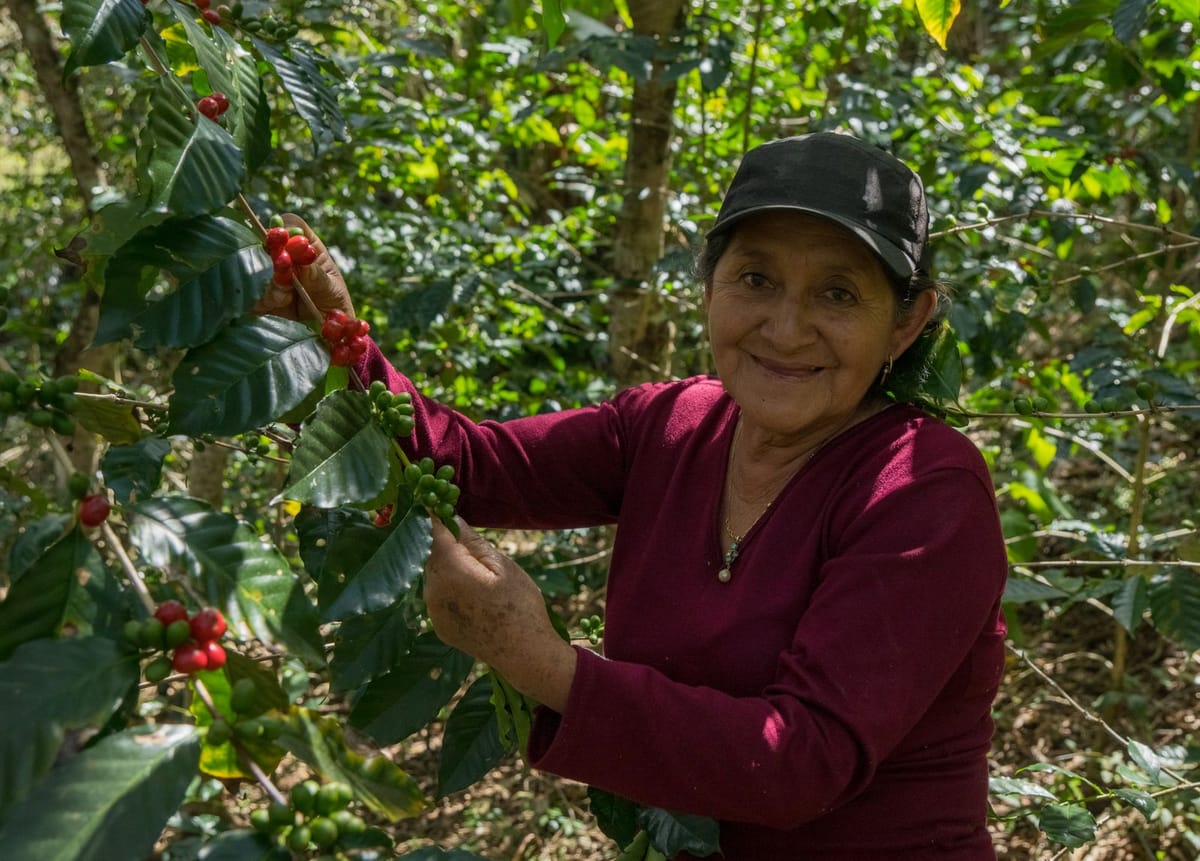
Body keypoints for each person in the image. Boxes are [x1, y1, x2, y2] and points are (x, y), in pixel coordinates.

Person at [256, 132, 1008, 859]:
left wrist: (542, 662)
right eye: (756, 279)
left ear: (907, 322)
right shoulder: (670, 425)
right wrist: (333, 335)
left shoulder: (922, 489)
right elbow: (467, 465)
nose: (786, 328)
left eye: (837, 294)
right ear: (708, 283)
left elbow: (799, 761)